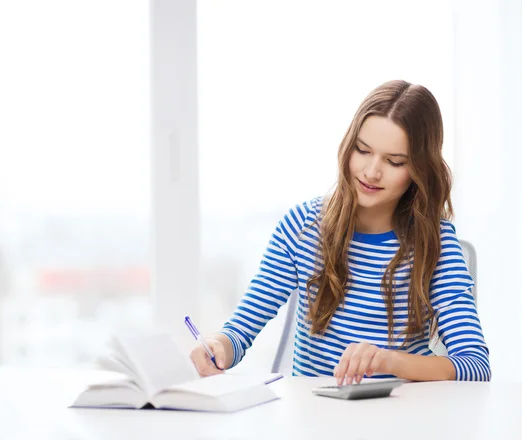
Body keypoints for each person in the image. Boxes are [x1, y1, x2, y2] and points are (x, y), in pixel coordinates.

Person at [190, 79, 491, 384]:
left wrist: (390, 361)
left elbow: (476, 366)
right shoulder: (303, 227)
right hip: (316, 423)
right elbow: (239, 332)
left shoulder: (436, 244)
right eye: (363, 151)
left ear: (419, 170)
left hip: (403, 419)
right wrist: (219, 346)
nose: (371, 172)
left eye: (394, 161)